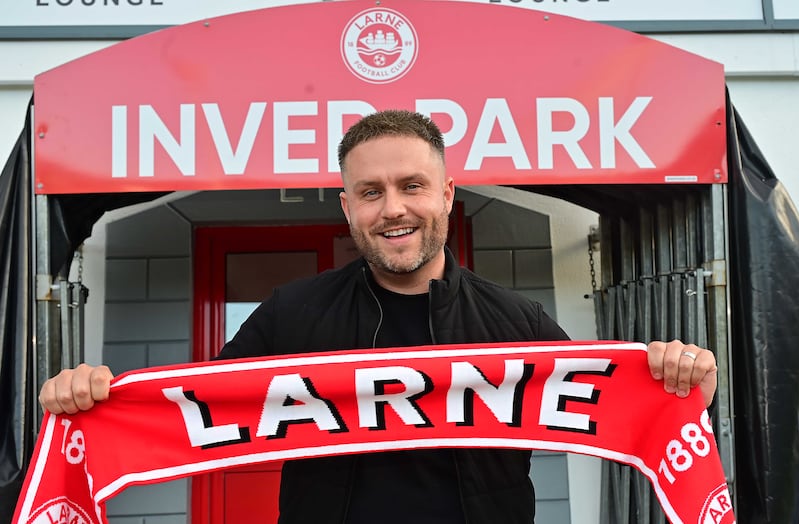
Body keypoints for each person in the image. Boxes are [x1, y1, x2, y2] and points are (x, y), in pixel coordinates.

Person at [39, 110, 718, 523]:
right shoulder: (290, 314)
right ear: (347, 208)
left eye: (412, 186)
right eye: (371, 192)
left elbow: (614, 412)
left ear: (447, 196)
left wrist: (678, 388)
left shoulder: (519, 322)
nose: (392, 208)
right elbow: (184, 412)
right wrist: (91, 402)